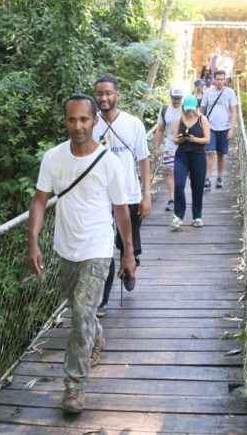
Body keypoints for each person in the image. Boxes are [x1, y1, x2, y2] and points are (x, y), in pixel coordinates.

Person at [28, 94, 136, 414]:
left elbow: (121, 212)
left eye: (84, 119)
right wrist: (33, 241)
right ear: (65, 121)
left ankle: (74, 386)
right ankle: (96, 334)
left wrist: (128, 253)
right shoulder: (53, 158)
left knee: (79, 315)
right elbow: (38, 200)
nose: (78, 126)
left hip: (98, 248)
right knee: (79, 310)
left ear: (95, 121)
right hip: (65, 247)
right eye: (72, 119)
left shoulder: (109, 163)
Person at [93, 74, 151, 317]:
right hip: (100, 198)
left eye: (108, 93)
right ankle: (102, 301)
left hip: (128, 195)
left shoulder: (133, 124)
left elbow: (144, 160)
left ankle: (131, 267)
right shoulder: (90, 123)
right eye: (100, 94)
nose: (104, 98)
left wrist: (147, 194)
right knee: (104, 248)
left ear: (117, 94)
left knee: (128, 245)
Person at [170, 94, 211, 230]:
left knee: (197, 186)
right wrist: (182, 139)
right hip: (182, 155)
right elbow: (174, 139)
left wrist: (194, 139)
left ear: (196, 107)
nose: (189, 111)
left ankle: (197, 216)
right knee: (179, 184)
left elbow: (207, 139)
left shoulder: (202, 120)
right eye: (187, 109)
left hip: (198, 155)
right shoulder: (179, 120)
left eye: (191, 109)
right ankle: (178, 216)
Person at [200, 69, 238, 191]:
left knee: (221, 154)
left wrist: (232, 129)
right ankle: (208, 178)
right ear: (213, 80)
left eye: (222, 79)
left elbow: (234, 112)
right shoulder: (208, 92)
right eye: (218, 79)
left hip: (225, 127)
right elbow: (202, 110)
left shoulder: (230, 92)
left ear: (225, 79)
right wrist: (199, 125)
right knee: (210, 152)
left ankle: (220, 177)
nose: (220, 81)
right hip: (210, 127)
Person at [154, 87, 183, 212]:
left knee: (181, 173)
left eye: (178, 98)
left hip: (184, 145)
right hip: (169, 144)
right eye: (174, 98)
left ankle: (179, 197)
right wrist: (157, 147)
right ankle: (172, 199)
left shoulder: (186, 109)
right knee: (169, 170)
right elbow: (160, 129)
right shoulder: (165, 110)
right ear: (170, 97)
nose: (176, 100)